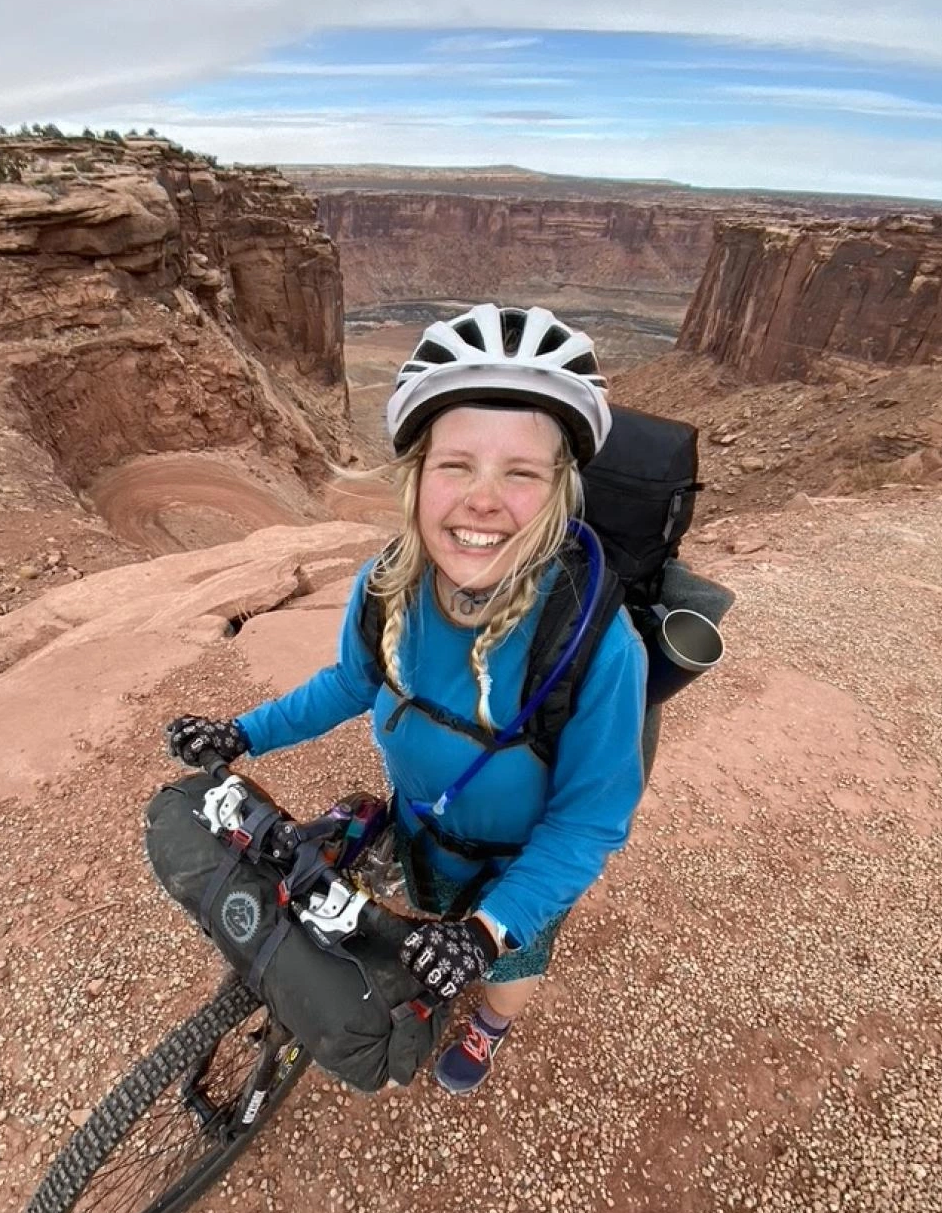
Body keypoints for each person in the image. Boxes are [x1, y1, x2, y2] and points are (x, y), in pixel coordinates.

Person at [167, 304, 647, 1094]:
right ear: (417, 478)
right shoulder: (388, 586)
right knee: (412, 909)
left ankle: (489, 1028)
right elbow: (351, 685)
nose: (484, 500)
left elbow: (589, 820)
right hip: (419, 820)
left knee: (512, 965)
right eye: (457, 464)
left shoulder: (597, 644)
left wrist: (489, 935)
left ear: (560, 491)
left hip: (516, 867)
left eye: (520, 473)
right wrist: (240, 734)